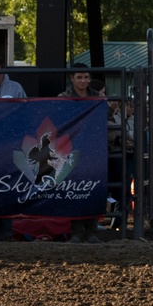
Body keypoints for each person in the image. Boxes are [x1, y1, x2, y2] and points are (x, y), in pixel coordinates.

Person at [59, 65, 107, 243]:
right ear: (72, 78)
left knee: (92, 187)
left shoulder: (98, 97)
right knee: (74, 189)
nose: (83, 81)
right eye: (79, 77)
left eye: (86, 77)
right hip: (72, 148)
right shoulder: (63, 97)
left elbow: (106, 115)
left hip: (93, 148)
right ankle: (77, 231)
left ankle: (92, 231)